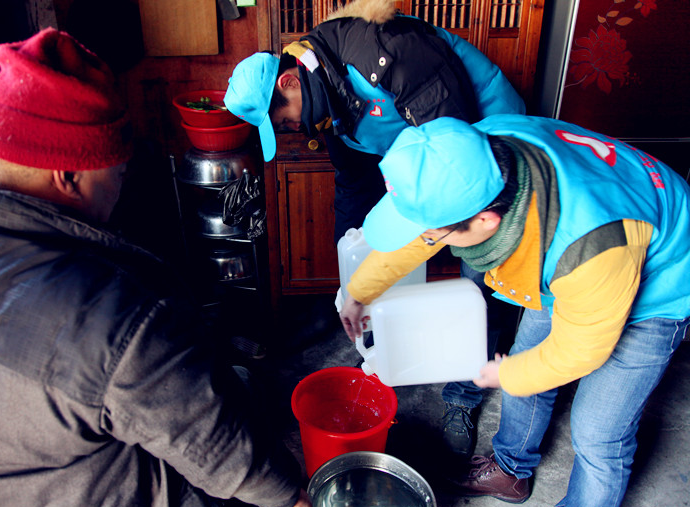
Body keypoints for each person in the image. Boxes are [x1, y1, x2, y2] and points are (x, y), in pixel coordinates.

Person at [0, 28, 313, 507]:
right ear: (69, 175)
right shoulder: (112, 317)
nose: (119, 185)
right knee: (239, 403)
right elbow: (210, 440)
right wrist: (287, 497)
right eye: (117, 171)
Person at [339, 115, 690, 507]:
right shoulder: (474, 156)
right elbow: (423, 232)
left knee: (598, 433)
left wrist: (508, 374)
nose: (428, 239)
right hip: (574, 251)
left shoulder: (585, 249)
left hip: (659, 281)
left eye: (434, 236)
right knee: (528, 366)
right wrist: (359, 291)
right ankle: (511, 471)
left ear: (486, 221)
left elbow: (580, 349)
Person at [224, 0, 525, 459]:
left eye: (283, 119)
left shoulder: (385, 55)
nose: (291, 128)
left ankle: (464, 396)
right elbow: (353, 186)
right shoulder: (322, 97)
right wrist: (353, 281)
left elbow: (449, 164)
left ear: (289, 82)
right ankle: (383, 347)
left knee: (479, 274)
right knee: (376, 244)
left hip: (485, 142)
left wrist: (408, 241)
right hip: (427, 149)